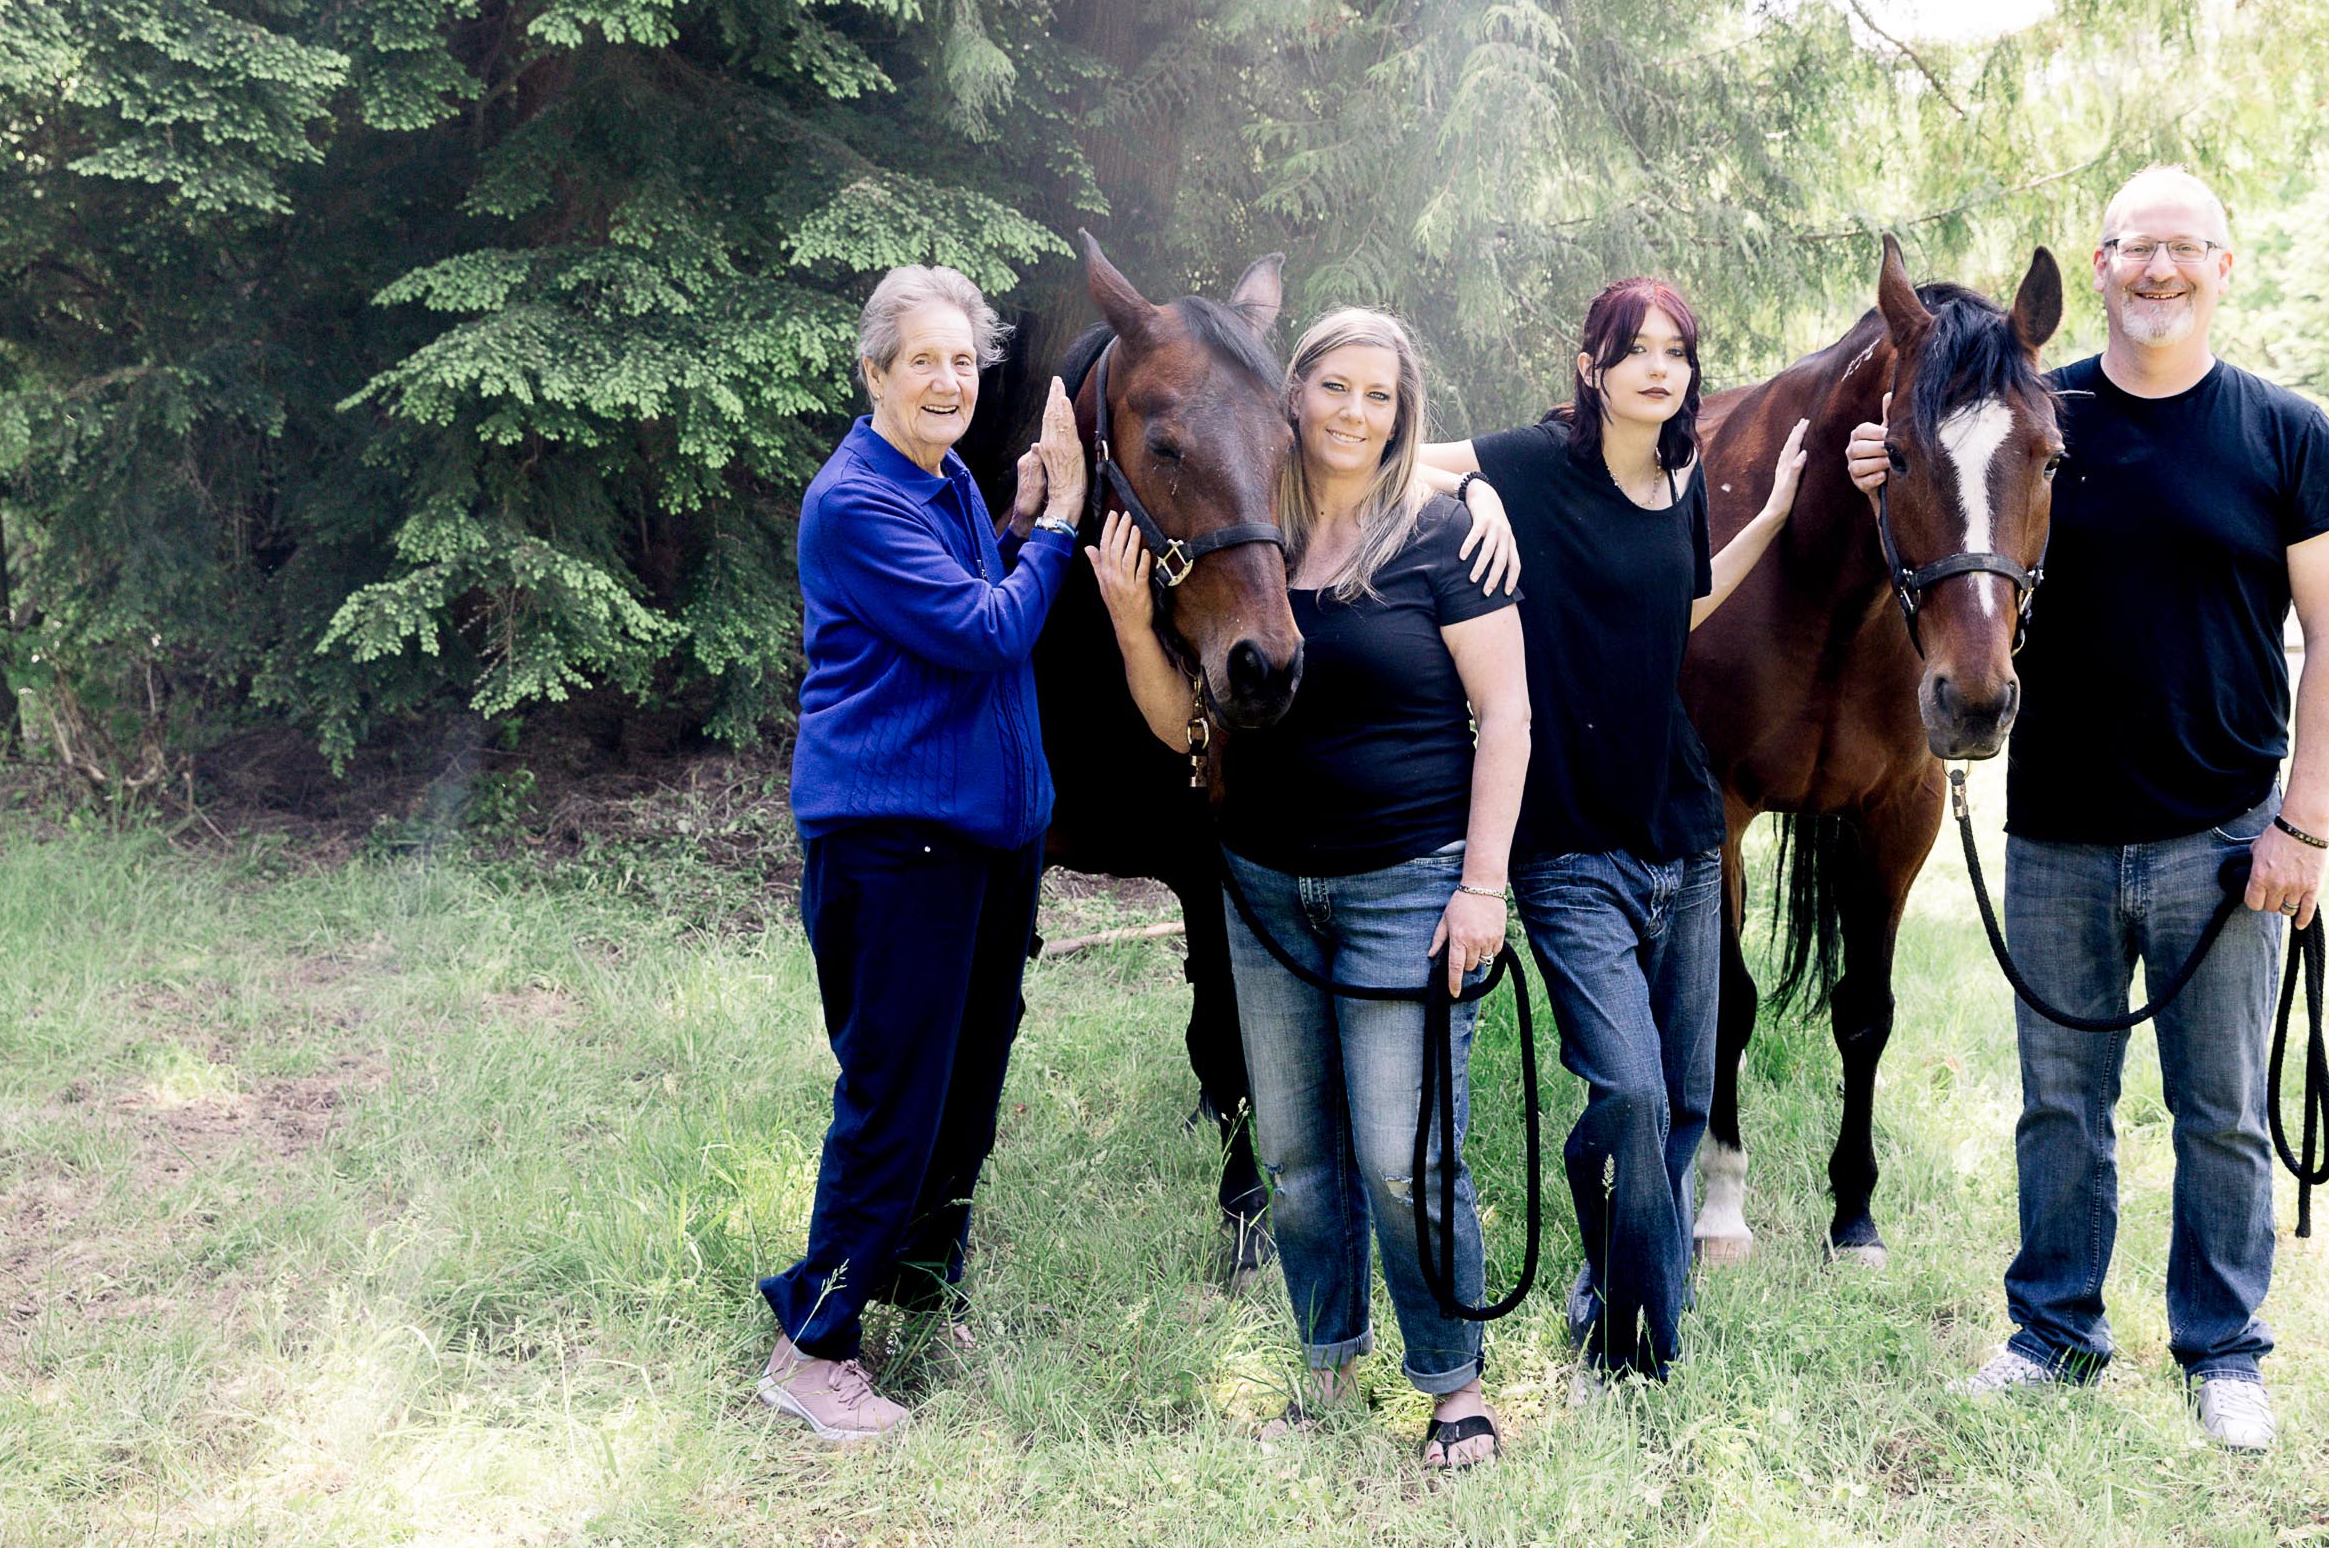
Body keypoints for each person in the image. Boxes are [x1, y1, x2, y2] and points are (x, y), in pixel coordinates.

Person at [1849, 165, 2329, 1452]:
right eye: (2136, 248)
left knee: (2222, 1108)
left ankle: (2223, 1348)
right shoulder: (2037, 410)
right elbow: (1934, 468)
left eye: (2186, 249)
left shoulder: (2286, 434)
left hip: (2227, 834)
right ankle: (2052, 1328)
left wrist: (2302, 823)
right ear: (2099, 265)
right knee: (2059, 1101)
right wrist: (1880, 450)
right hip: (2062, 832)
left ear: (2224, 267)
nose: (2160, 271)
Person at [1092, 308, 1528, 1469]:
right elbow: (1184, 722)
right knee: (1294, 1156)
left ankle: (1454, 1387)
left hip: (1410, 882)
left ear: (1404, 411)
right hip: (1265, 886)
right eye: (1332, 386)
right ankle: (1328, 1364)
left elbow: (1510, 715)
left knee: (1405, 1151)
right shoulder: (1255, 534)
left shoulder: (1440, 533)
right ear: (1291, 398)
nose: (1352, 411)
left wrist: (1483, 882)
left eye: (1377, 394)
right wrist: (1136, 624)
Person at [1418, 278, 1807, 1388]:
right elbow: (1390, 457)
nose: (1656, 367)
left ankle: (1612, 1315)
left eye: (1675, 351)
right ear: (1590, 365)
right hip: (1566, 837)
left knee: (1681, 1104)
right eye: (1631, 349)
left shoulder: (1684, 477)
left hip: (1681, 829)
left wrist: (1771, 516)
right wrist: (1473, 501)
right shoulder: (1533, 462)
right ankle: (1640, 1347)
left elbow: (1679, 604)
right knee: (1629, 1094)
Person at [757, 263, 1088, 1444]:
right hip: (899, 847)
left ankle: (914, 1286)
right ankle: (815, 1346)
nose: (950, 380)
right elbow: (985, 626)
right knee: (896, 1095)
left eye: (964, 360)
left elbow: (970, 581)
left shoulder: (937, 481)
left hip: (984, 841)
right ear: (875, 374)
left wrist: (1010, 516)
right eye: (924, 361)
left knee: (966, 1086)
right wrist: (1057, 524)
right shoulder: (857, 499)